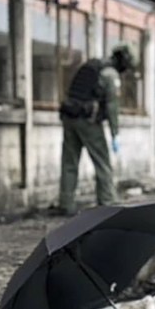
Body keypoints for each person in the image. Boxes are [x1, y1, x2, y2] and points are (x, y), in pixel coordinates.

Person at [56, 45, 133, 215]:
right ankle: (107, 202)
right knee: (102, 162)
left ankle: (66, 203)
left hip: (69, 116)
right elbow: (112, 106)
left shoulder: (92, 65)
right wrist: (115, 134)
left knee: (69, 162)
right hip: (88, 120)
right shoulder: (110, 74)